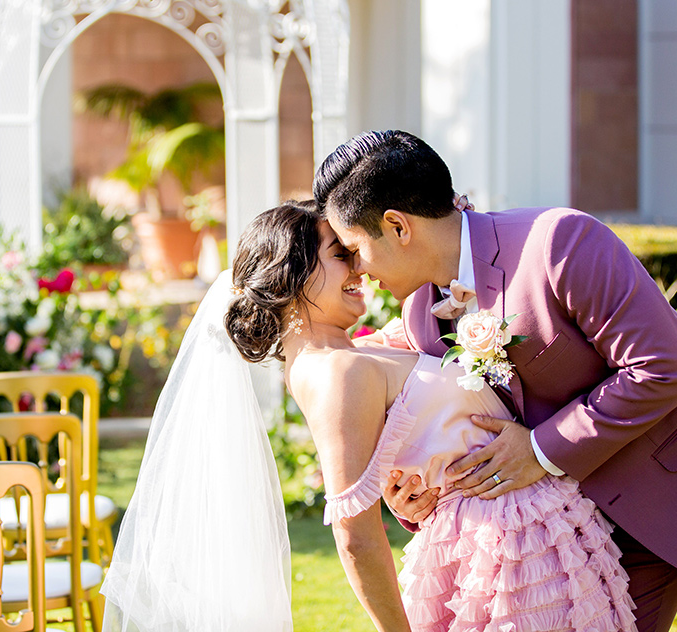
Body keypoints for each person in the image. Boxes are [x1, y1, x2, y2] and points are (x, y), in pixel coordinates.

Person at [312, 129, 677, 632]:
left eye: (355, 249)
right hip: (611, 529)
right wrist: (421, 495)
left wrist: (540, 450)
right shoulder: (421, 318)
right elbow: (461, 421)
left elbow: (662, 368)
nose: (357, 271)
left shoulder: (559, 242)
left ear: (399, 226)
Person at [101, 200, 635, 632]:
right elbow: (355, 535)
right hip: (505, 553)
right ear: (291, 275)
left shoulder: (353, 354)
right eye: (340, 253)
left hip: (528, 532)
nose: (359, 267)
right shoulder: (336, 373)